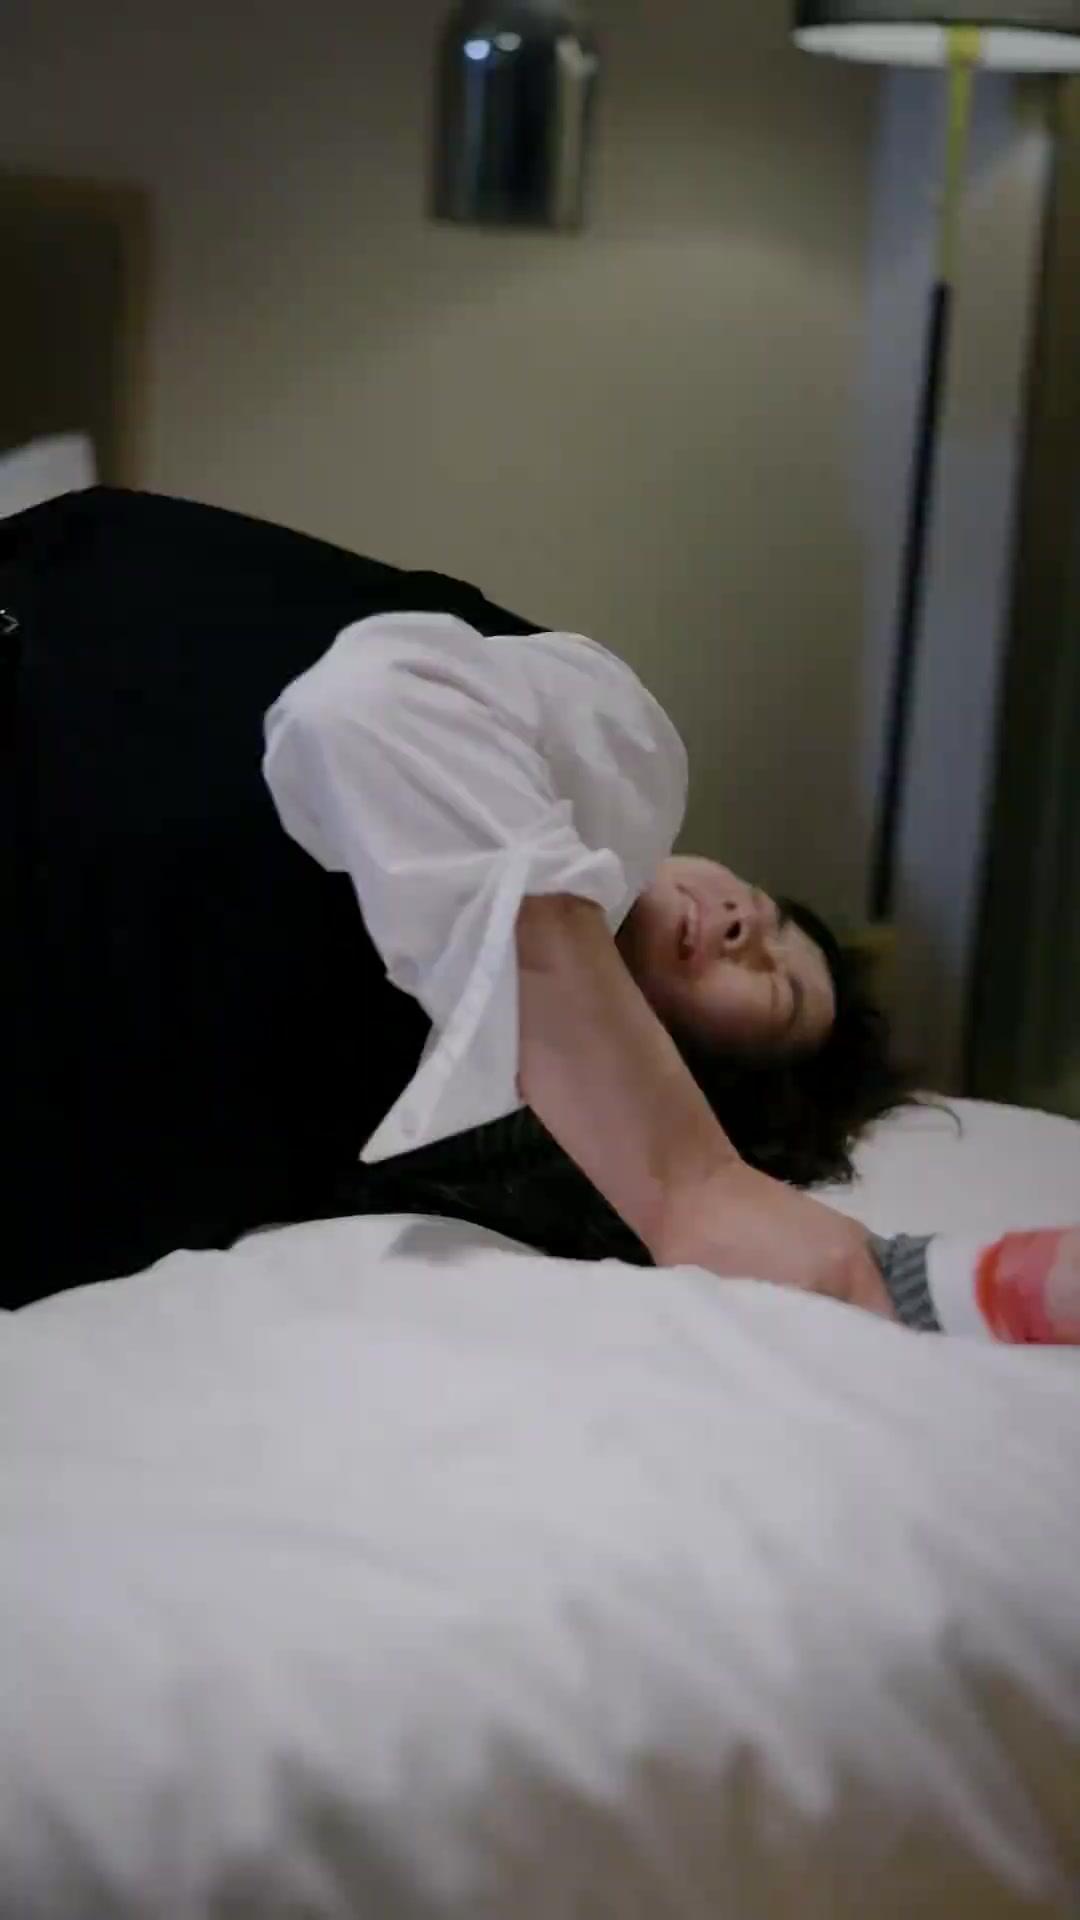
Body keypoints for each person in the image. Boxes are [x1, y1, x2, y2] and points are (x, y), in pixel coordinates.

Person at [6, 486, 903, 1311]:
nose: (747, 924)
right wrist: (691, 1183)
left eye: (777, 985)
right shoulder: (616, 765)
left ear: (721, 1080)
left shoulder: (416, 1134)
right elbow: (363, 708)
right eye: (766, 909)